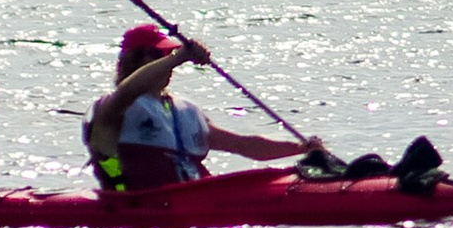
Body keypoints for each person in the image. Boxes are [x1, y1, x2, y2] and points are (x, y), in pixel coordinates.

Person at [85, 23, 325, 194]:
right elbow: (127, 91)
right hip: (134, 202)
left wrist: (301, 148)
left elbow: (243, 145)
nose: (169, 61)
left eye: (169, 53)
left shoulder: (185, 109)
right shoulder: (110, 108)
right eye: (160, 54)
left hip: (192, 199)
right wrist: (178, 57)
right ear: (133, 60)